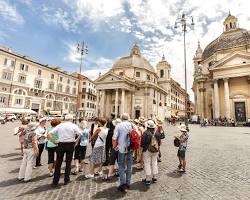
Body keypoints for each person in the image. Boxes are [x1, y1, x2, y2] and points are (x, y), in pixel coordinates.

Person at [48, 115, 82, 186]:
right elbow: (80, 134)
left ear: (65, 119)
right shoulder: (74, 125)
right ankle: (66, 179)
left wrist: (54, 141)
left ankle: (55, 181)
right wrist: (76, 141)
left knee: (58, 163)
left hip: (61, 144)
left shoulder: (60, 125)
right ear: (72, 119)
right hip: (70, 144)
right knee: (68, 163)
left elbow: (49, 134)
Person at [112, 113, 133, 192]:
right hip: (130, 149)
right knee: (129, 166)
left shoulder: (119, 125)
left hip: (121, 149)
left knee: (121, 166)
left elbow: (114, 138)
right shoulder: (132, 125)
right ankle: (128, 183)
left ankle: (123, 184)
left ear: (121, 118)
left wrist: (114, 147)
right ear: (128, 118)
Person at [141, 120, 161, 185]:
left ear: (147, 126)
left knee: (147, 163)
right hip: (155, 150)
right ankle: (155, 177)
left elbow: (142, 143)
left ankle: (148, 179)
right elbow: (159, 142)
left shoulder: (145, 133)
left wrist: (142, 149)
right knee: (154, 163)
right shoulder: (157, 133)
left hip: (147, 150)